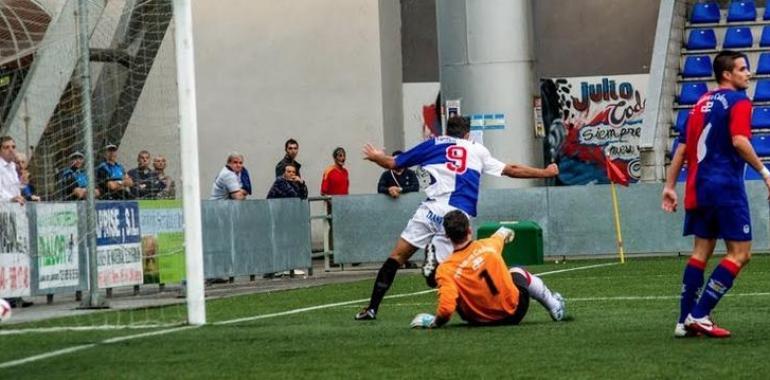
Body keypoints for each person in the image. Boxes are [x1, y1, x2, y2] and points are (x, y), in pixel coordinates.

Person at [355, 116, 558, 321]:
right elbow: (511, 170)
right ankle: (443, 277)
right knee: (458, 269)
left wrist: (375, 156)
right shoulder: (477, 150)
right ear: (467, 134)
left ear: (446, 131)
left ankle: (372, 308)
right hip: (457, 215)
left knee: (397, 257)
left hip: (430, 210)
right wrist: (545, 172)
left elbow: (392, 162)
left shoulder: (432, 144)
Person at [662, 50, 770, 338]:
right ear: (727, 74)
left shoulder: (698, 103)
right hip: (725, 188)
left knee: (701, 251)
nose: (749, 73)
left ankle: (683, 320)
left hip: (698, 187)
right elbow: (739, 141)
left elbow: (682, 149)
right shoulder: (739, 101)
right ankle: (700, 315)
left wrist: (669, 186)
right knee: (740, 254)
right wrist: (765, 171)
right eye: (743, 69)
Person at [409, 210, 565, 328]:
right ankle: (554, 306)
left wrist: (434, 322)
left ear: (448, 237)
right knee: (516, 272)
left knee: (454, 288)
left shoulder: (446, 269)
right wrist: (506, 232)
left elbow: (446, 309)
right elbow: (502, 234)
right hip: (514, 313)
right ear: (469, 230)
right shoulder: (488, 245)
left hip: (478, 321)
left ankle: (434, 278)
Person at [0, 136, 25, 205]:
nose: (11, 150)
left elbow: (15, 192)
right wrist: (11, 199)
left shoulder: (13, 166)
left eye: (13, 147)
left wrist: (28, 197)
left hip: (14, 209)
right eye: (6, 147)